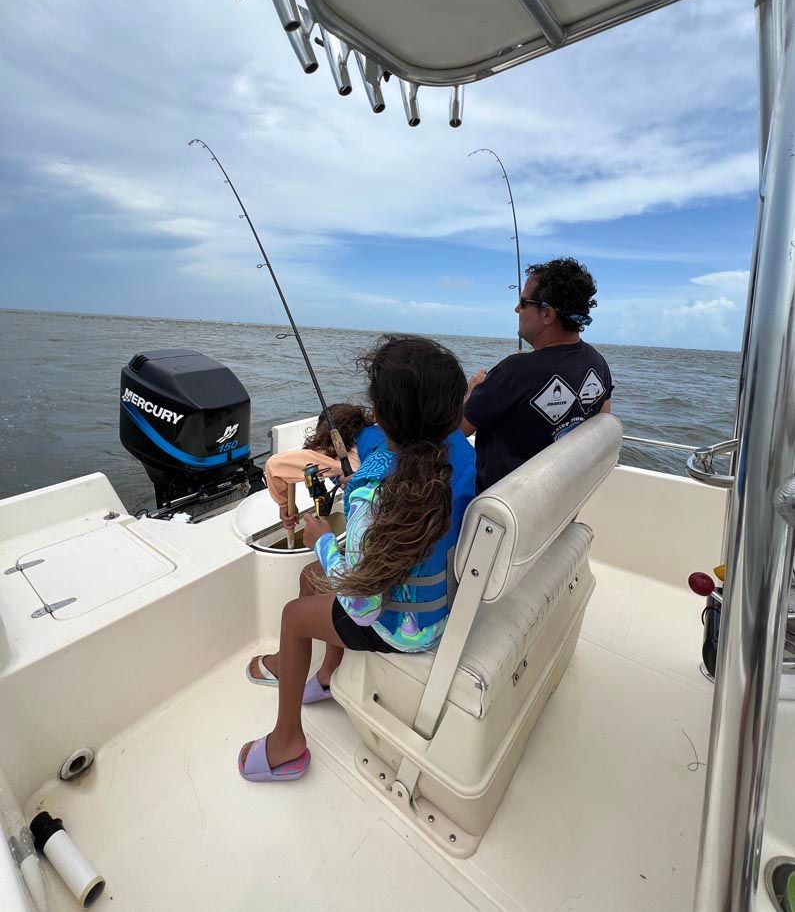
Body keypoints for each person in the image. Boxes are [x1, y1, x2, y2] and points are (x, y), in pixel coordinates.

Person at [239, 334, 476, 782]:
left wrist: (323, 539)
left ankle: (286, 742)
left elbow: (361, 606)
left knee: (294, 616)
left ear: (384, 415)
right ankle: (328, 674)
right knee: (313, 579)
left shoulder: (370, 487)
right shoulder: (463, 455)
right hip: (443, 606)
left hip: (403, 629)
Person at [461, 257, 613, 493]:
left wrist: (471, 392)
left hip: (500, 508)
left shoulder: (514, 371)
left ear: (547, 315)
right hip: (555, 502)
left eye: (523, 303)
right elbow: (599, 427)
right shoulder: (598, 363)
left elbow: (458, 432)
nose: (516, 309)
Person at [263, 403, 385, 530]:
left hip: (377, 517)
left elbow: (274, 467)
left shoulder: (341, 453)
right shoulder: (381, 433)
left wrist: (285, 505)